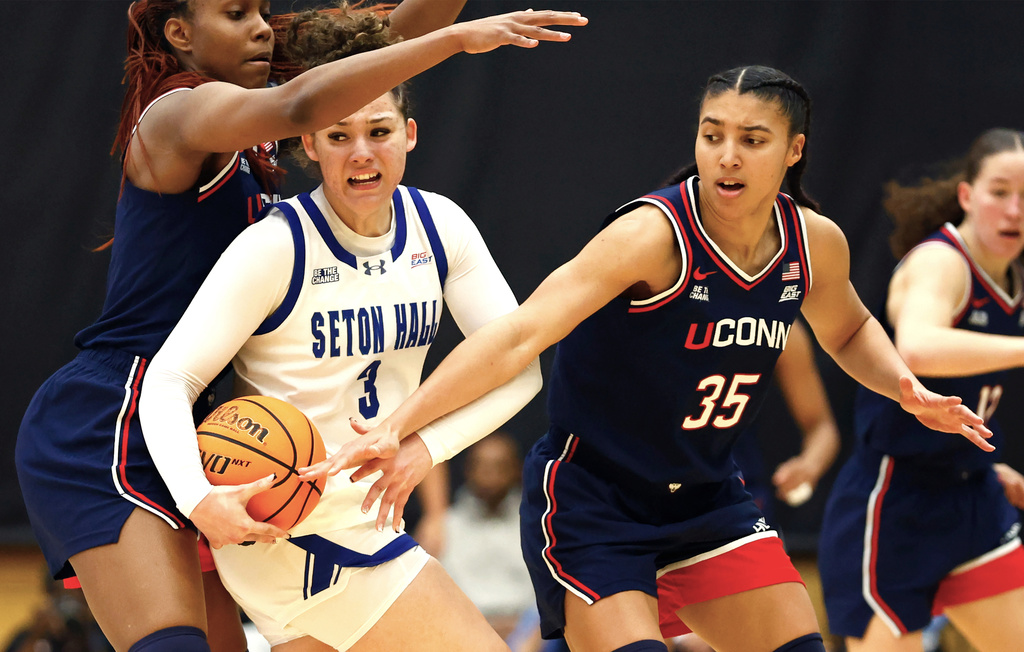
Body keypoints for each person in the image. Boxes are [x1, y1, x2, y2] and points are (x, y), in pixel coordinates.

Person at [302, 65, 994, 652]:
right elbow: (518, 336)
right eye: (712, 135)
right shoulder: (649, 237)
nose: (727, 155)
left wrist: (906, 388)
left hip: (708, 498)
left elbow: (847, 331)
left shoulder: (814, 243)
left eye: (752, 140)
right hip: (595, 501)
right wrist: (402, 425)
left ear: (793, 150)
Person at [14, 1, 586, 651]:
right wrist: (457, 41)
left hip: (209, 432)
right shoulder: (179, 111)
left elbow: (383, 42)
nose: (261, 25)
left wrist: (449, 25)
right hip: (113, 413)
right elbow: (303, 106)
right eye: (236, 13)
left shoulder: (270, 110)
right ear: (180, 34)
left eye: (261, 9)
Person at [818, 128, 1024, 652]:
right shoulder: (942, 261)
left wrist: (983, 461)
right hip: (896, 503)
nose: (1014, 210)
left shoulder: (1013, 277)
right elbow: (918, 349)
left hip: (970, 495)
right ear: (966, 196)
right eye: (999, 192)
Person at [440, 432, 537, 640]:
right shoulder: (444, 526)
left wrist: (529, 632)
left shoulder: (535, 525)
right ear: (467, 470)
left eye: (499, 466)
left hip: (529, 630)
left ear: (517, 469)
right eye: (481, 466)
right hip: (463, 631)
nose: (489, 475)